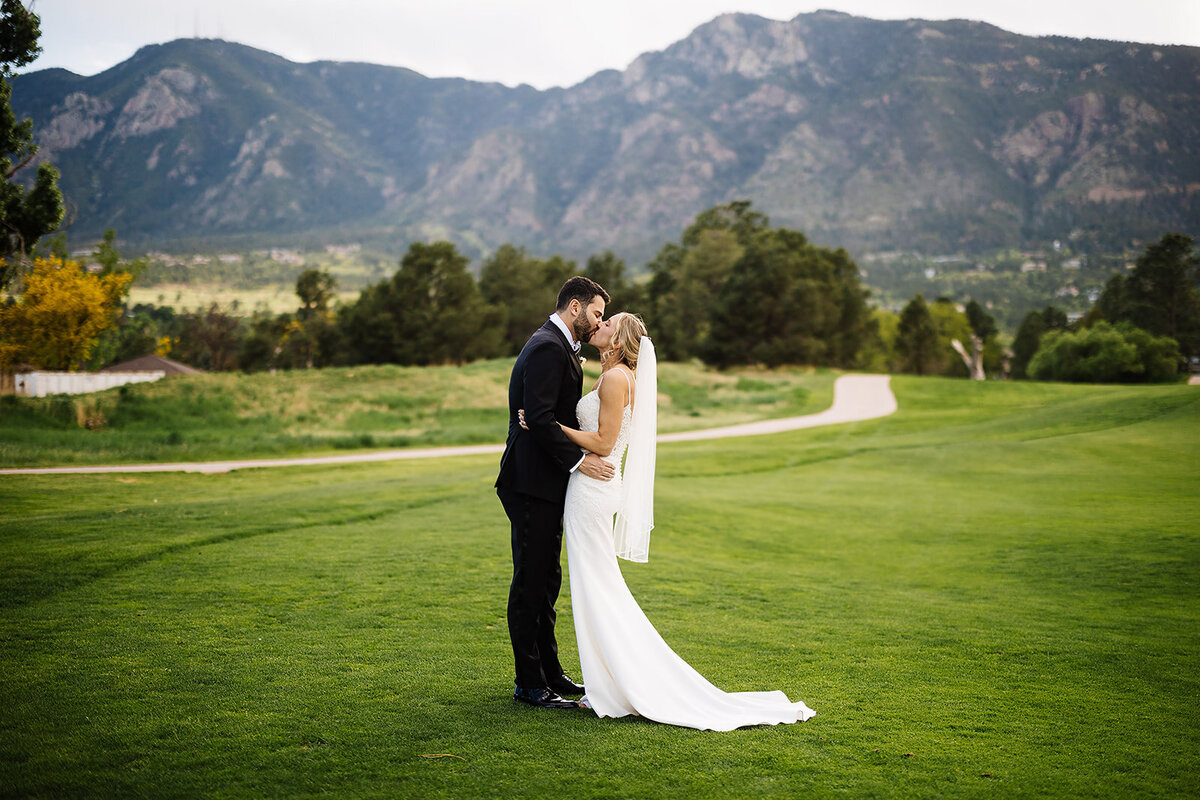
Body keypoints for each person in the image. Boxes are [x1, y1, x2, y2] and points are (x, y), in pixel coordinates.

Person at [522, 312, 816, 730]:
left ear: (617, 339)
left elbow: (604, 443)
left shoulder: (616, 379)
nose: (598, 326)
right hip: (596, 489)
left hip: (593, 489)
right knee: (595, 583)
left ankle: (616, 683)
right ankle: (607, 678)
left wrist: (550, 426)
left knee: (597, 585)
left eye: (607, 324)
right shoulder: (616, 376)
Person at [496, 276, 613, 709]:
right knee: (530, 582)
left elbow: (544, 417)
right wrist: (583, 461)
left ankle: (550, 671)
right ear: (576, 307)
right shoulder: (548, 345)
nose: (598, 321)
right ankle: (530, 684)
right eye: (597, 313)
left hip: (546, 481)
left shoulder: (559, 344)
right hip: (530, 482)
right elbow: (539, 418)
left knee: (547, 579)